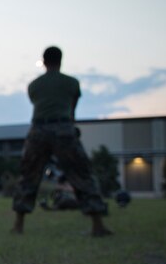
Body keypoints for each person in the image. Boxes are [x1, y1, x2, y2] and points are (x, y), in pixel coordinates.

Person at [11, 46, 111, 236]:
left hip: (38, 129)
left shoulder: (34, 85)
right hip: (63, 129)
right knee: (81, 174)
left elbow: (37, 104)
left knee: (28, 176)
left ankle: (18, 225)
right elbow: (72, 110)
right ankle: (98, 225)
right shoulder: (72, 83)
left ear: (44, 61)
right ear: (61, 60)